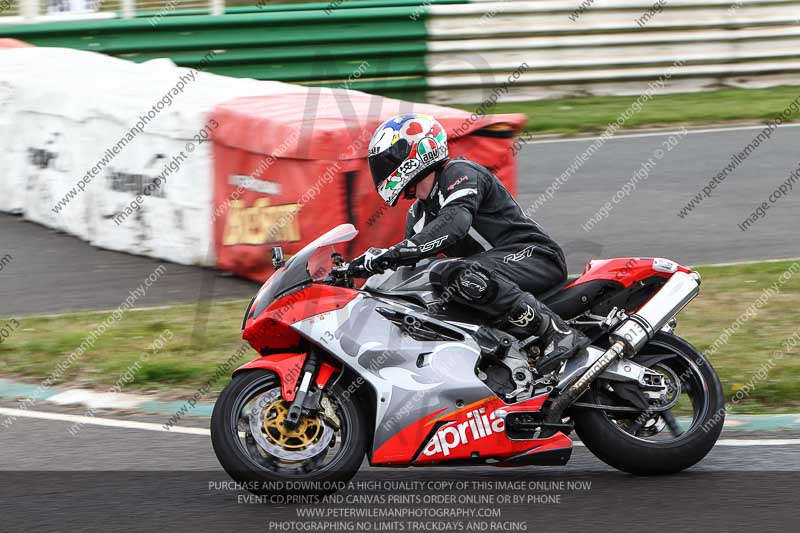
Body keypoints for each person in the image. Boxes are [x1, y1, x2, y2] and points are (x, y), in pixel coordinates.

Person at [351, 113, 588, 374]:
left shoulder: (459, 172)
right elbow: (406, 270)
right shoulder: (417, 215)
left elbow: (454, 223)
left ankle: (557, 332)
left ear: (419, 150)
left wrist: (394, 252)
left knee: (452, 272)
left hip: (535, 256)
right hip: (490, 274)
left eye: (388, 160)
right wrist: (362, 273)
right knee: (429, 295)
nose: (382, 169)